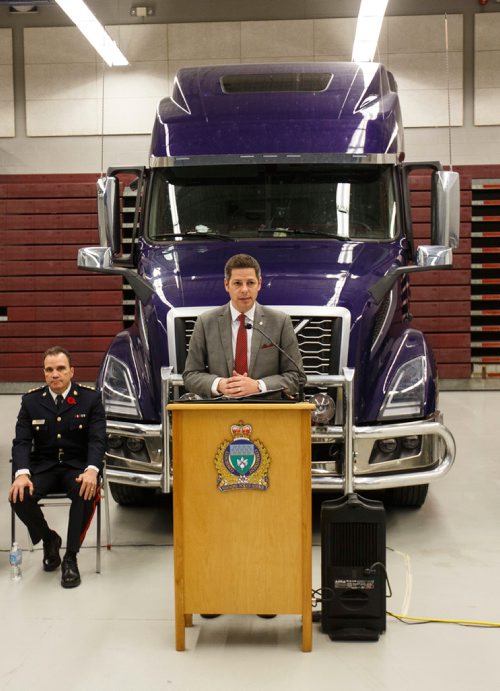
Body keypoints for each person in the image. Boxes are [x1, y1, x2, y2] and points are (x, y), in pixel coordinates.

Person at [9, 346, 106, 588]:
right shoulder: (31, 401)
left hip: (78, 468)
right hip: (44, 467)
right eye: (49, 370)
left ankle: (70, 558)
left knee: (85, 490)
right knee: (18, 496)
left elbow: (97, 439)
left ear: (71, 371)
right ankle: (49, 539)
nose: (55, 374)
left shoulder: (90, 399)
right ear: (44, 373)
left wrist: (92, 470)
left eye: (61, 369)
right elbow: (21, 441)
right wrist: (21, 474)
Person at [183, 253, 306, 399]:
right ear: (226, 285)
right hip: (218, 412)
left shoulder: (280, 321)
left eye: (250, 283)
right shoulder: (206, 322)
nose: (244, 290)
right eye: (237, 283)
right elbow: (190, 375)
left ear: (259, 284)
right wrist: (219, 384)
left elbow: (297, 377)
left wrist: (259, 386)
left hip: (268, 412)